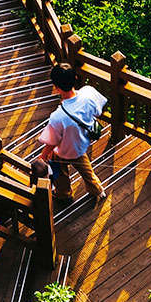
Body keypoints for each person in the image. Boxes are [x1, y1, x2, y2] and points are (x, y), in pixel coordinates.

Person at [35, 65, 106, 201]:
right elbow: (98, 111)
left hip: (62, 151)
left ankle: (64, 194)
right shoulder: (88, 93)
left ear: (57, 88)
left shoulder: (58, 116)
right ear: (75, 78)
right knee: (86, 170)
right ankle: (97, 190)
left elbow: (52, 142)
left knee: (59, 172)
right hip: (80, 146)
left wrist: (43, 156)